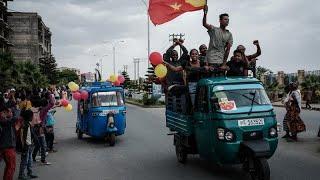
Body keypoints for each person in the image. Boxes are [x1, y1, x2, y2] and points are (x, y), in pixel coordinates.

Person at [202, 5, 233, 72]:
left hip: (221, 60)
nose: (227, 21)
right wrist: (205, 13)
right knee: (211, 78)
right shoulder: (214, 29)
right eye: (225, 19)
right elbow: (204, 24)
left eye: (228, 20)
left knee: (220, 79)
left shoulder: (229, 34)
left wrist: (224, 64)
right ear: (220, 20)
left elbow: (228, 50)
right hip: (211, 59)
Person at [0, 105, 20, 180]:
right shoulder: (4, 121)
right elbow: (15, 118)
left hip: (7, 146)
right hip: (7, 147)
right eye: (10, 112)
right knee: (11, 166)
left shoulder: (6, 121)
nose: (11, 113)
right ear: (4, 112)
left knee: (9, 166)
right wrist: (17, 111)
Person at [18, 109, 38, 179]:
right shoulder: (24, 126)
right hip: (26, 147)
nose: (33, 117)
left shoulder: (28, 124)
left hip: (29, 145)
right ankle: (21, 175)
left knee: (29, 161)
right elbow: (22, 137)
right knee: (24, 161)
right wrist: (23, 148)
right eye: (32, 116)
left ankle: (30, 173)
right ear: (29, 117)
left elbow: (30, 135)